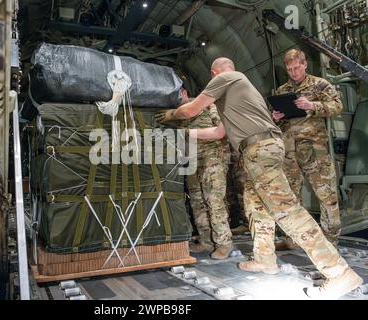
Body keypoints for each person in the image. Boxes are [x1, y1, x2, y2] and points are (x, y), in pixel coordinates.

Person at [155, 57, 362, 299]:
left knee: (287, 211)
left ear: (214, 73)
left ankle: (339, 273)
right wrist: (184, 132)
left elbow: (190, 109)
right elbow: (218, 132)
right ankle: (265, 260)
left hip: (260, 150)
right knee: (256, 207)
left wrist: (171, 115)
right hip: (259, 149)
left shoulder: (226, 78)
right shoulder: (238, 94)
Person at [273, 49, 343, 249]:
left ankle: (331, 242)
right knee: (292, 198)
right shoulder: (282, 90)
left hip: (314, 150)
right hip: (289, 152)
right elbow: (277, 119)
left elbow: (337, 106)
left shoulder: (319, 84)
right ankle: (294, 239)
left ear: (304, 64)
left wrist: (312, 104)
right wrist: (276, 117)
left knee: (326, 196)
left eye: (296, 68)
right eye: (289, 69)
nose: (293, 72)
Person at [175, 88, 233, 259]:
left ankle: (224, 243)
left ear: (184, 92)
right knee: (197, 201)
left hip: (212, 158)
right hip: (193, 161)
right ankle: (206, 241)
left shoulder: (206, 105)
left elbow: (222, 132)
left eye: (177, 95)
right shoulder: (177, 113)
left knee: (214, 200)